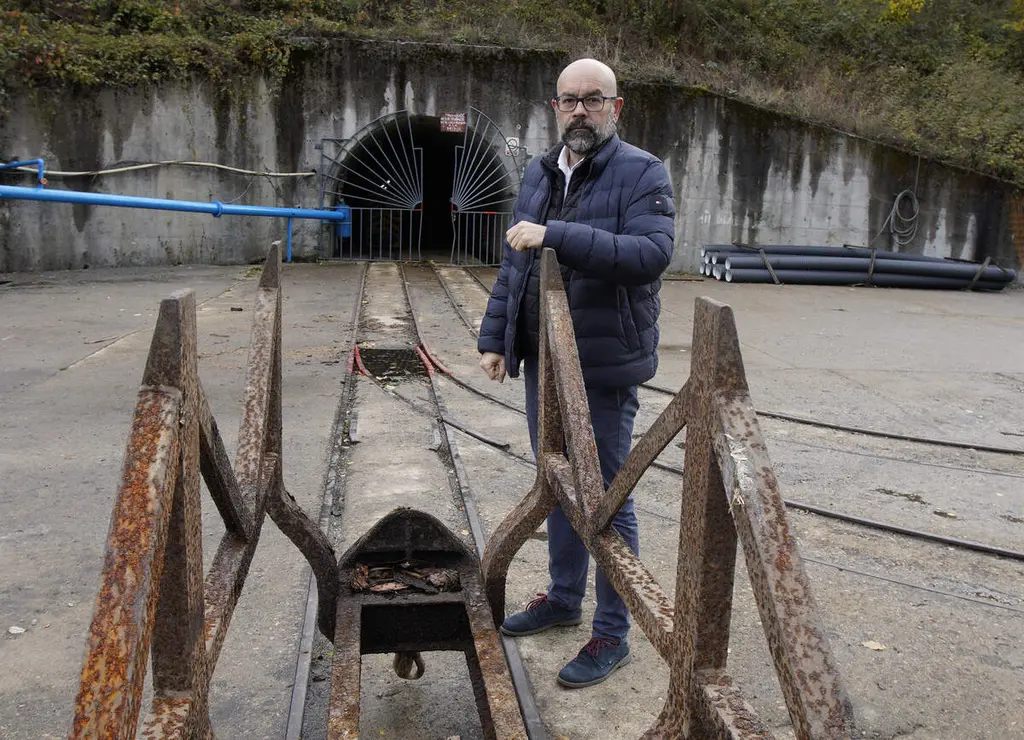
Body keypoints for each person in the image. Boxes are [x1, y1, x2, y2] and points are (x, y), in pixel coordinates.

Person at [477, 58, 675, 689]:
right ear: (555, 108)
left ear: (616, 107)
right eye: (570, 100)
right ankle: (564, 599)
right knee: (557, 482)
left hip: (602, 364)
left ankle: (612, 633)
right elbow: (515, 265)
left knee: (607, 496)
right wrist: (496, 337)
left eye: (594, 99)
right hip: (544, 361)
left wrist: (555, 234)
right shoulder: (539, 172)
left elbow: (650, 255)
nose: (581, 110)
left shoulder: (642, 172)